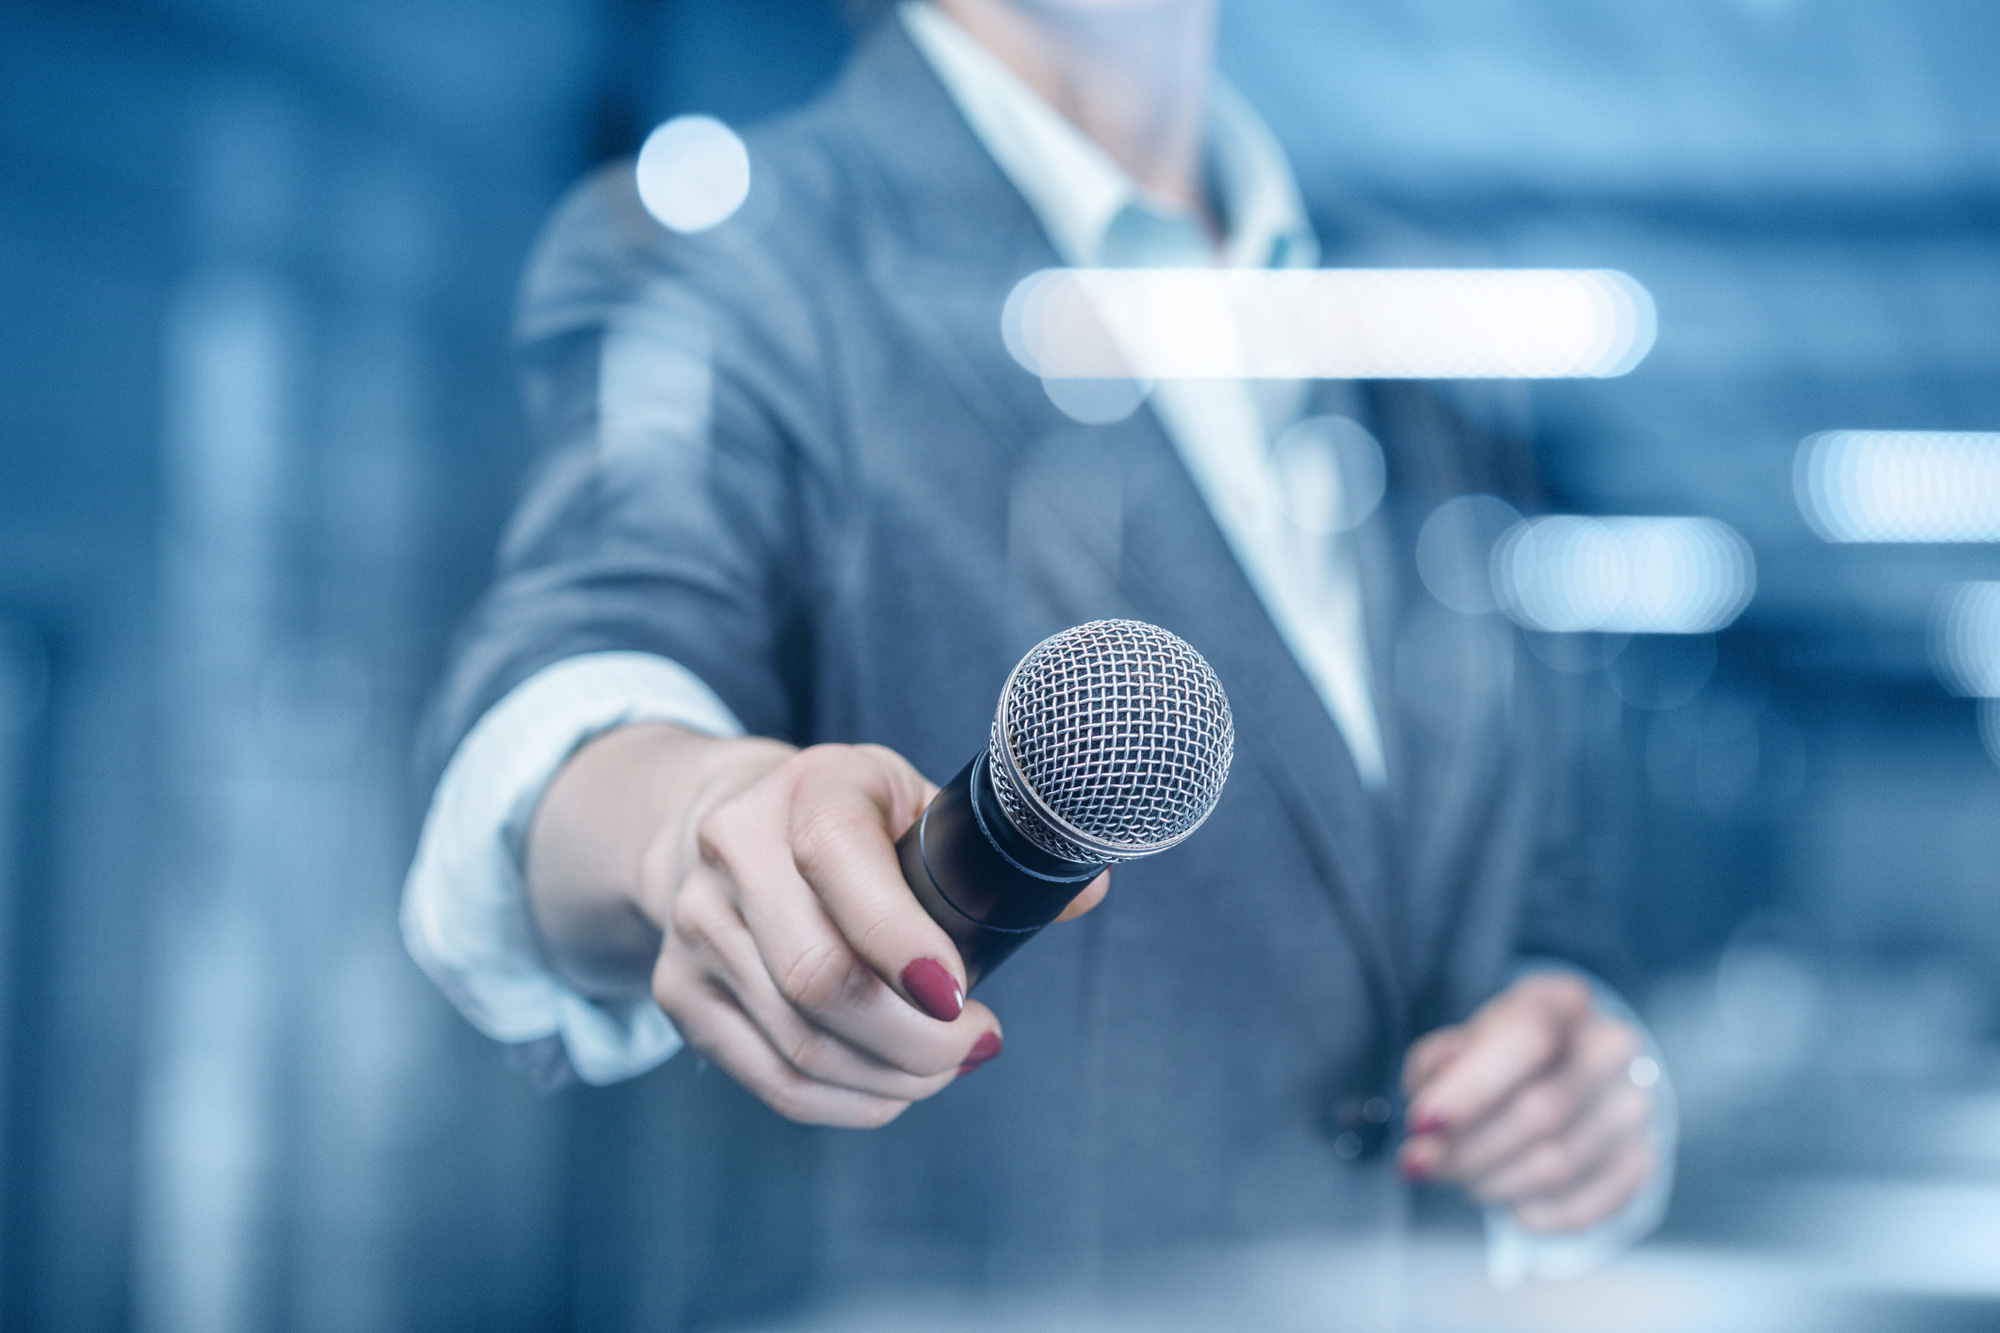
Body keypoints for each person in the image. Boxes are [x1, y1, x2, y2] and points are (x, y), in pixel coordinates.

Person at [403, 0, 1674, 1324]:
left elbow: (1504, 864)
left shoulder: (1406, 316)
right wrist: (695, 823)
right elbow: (589, 668)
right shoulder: (740, 245)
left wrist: (1581, 1060)